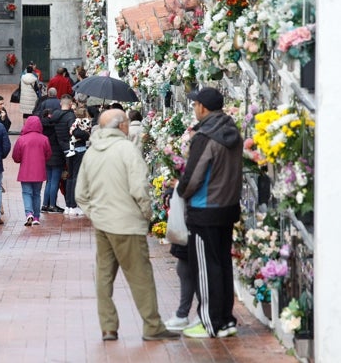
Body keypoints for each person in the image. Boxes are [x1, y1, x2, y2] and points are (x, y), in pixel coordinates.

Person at [75, 109, 179, 342]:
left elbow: (80, 194)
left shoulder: (92, 152)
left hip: (103, 224)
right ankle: (152, 326)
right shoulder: (127, 149)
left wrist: (96, 213)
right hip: (127, 223)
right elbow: (139, 188)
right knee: (140, 275)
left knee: (104, 276)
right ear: (122, 126)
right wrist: (146, 215)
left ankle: (108, 327)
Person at [177, 87, 243, 339]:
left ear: (203, 107)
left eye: (195, 105)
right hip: (227, 208)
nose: (194, 109)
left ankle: (209, 322)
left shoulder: (206, 136)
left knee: (205, 268)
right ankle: (225, 319)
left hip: (205, 210)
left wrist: (181, 190)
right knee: (223, 265)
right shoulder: (232, 132)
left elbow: (193, 177)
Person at [12, 116, 51, 226]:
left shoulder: (22, 139)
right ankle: (37, 217)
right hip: (39, 170)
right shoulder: (44, 139)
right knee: (37, 194)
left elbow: (16, 156)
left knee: (26, 193)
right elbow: (48, 154)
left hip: (26, 170)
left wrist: (20, 160)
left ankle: (29, 213)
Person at [64, 107, 92, 216]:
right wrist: (87, 135)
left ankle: (68, 205)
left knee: (70, 177)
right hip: (79, 151)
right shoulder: (82, 123)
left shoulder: (73, 122)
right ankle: (73, 205)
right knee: (76, 177)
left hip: (70, 150)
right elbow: (80, 134)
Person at [40, 108, 65, 213]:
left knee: (49, 181)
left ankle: (45, 204)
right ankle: (52, 205)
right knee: (55, 181)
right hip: (57, 156)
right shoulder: (56, 126)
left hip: (46, 157)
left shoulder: (42, 127)